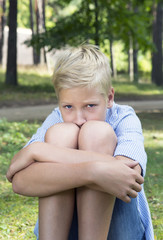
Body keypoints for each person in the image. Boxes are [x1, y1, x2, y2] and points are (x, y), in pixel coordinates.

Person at [6, 44, 154, 240]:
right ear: (59, 101)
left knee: (95, 132)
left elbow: (129, 177)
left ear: (109, 97)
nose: (78, 118)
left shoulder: (123, 117)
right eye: (68, 106)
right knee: (61, 133)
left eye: (90, 106)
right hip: (66, 233)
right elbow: (19, 181)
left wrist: (39, 151)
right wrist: (93, 171)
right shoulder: (57, 119)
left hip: (120, 232)